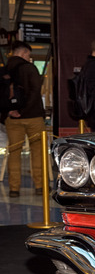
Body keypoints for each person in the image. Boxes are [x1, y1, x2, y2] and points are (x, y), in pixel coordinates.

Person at [5, 41, 45, 198]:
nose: (29, 57)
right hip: (33, 116)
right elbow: (35, 91)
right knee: (38, 151)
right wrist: (24, 110)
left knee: (14, 152)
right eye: (28, 54)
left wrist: (9, 112)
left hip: (12, 119)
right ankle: (40, 186)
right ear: (23, 53)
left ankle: (14, 189)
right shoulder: (30, 68)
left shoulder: (4, 70)